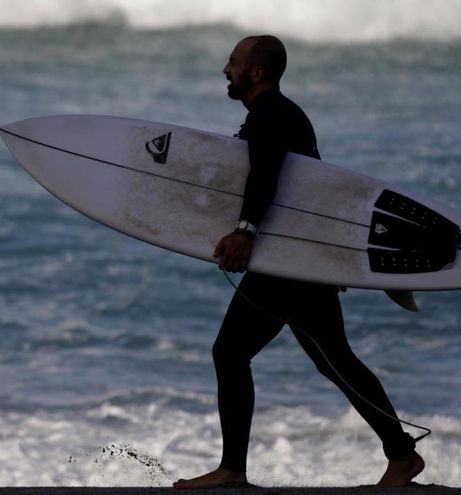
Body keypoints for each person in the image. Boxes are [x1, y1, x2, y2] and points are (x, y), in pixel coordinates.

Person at [173, 35, 425, 489]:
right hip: (297, 258)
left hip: (287, 264)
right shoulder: (279, 115)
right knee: (332, 359)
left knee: (231, 353)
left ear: (257, 72)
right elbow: (302, 193)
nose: (225, 70)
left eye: (233, 62)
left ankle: (233, 470)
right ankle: (401, 453)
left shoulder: (270, 116)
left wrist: (245, 231)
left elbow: (266, 175)